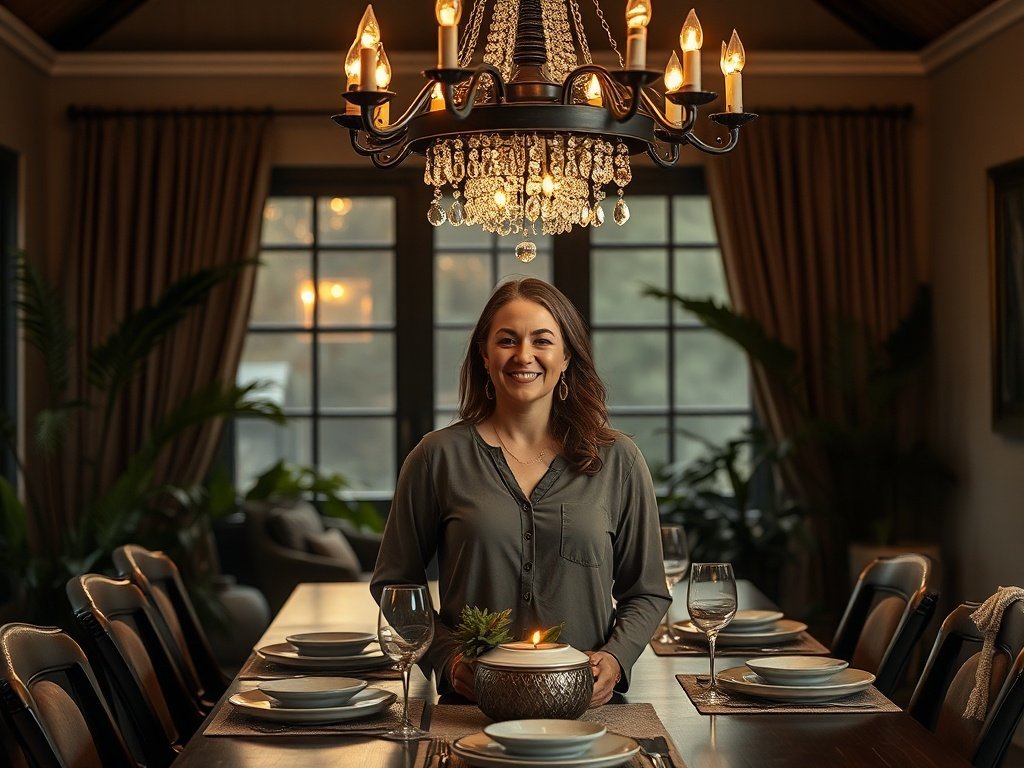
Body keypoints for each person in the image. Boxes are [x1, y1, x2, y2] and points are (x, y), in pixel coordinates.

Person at [370, 278, 670, 707]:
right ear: (485, 355)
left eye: (542, 341)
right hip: (470, 709)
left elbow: (647, 590)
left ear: (566, 356)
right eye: (507, 340)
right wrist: (446, 659)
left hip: (586, 706)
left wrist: (616, 659)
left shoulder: (619, 460)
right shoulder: (436, 457)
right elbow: (394, 585)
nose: (523, 355)